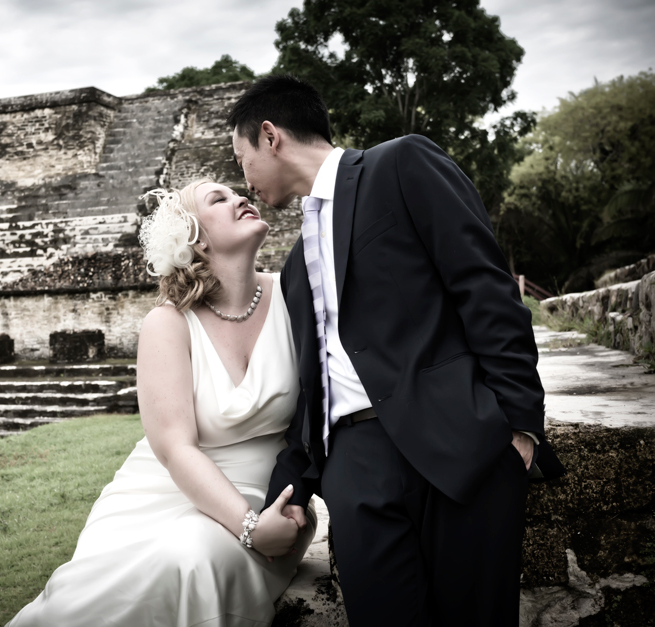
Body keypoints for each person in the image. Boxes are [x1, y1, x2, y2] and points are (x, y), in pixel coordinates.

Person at [227, 75, 566, 626]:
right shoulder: (291, 271)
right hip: (356, 468)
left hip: (463, 445)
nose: (244, 179)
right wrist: (287, 491)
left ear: (270, 136)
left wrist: (520, 429)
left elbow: (486, 291)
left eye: (242, 159)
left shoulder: (400, 165)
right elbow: (313, 388)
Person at [5, 179, 316, 627]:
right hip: (163, 491)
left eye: (236, 193)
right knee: (129, 579)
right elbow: (175, 448)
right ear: (195, 240)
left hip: (267, 494)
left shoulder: (294, 297)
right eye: (219, 199)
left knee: (192, 556)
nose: (241, 198)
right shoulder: (167, 324)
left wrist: (280, 513)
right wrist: (250, 529)